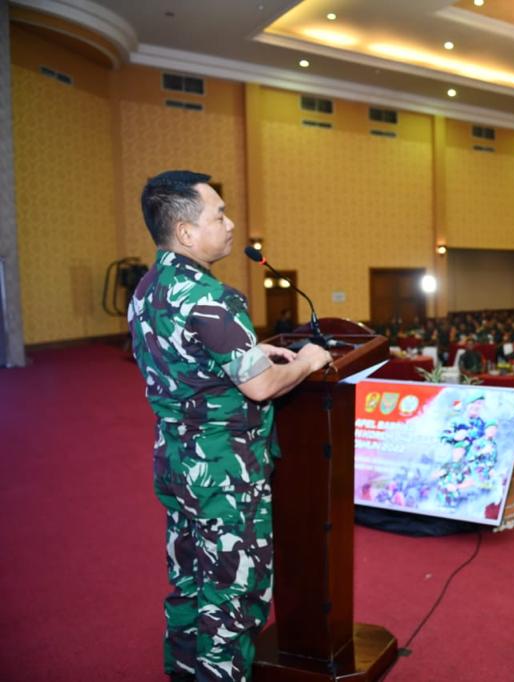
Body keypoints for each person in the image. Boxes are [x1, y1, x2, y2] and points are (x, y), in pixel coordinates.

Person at [128, 170, 333, 682]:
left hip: (176, 460)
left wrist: (250, 351)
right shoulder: (210, 295)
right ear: (186, 233)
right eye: (217, 214)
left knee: (191, 585)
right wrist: (307, 361)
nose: (229, 222)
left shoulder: (149, 288)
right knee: (234, 597)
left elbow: (180, 360)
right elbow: (261, 388)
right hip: (225, 470)